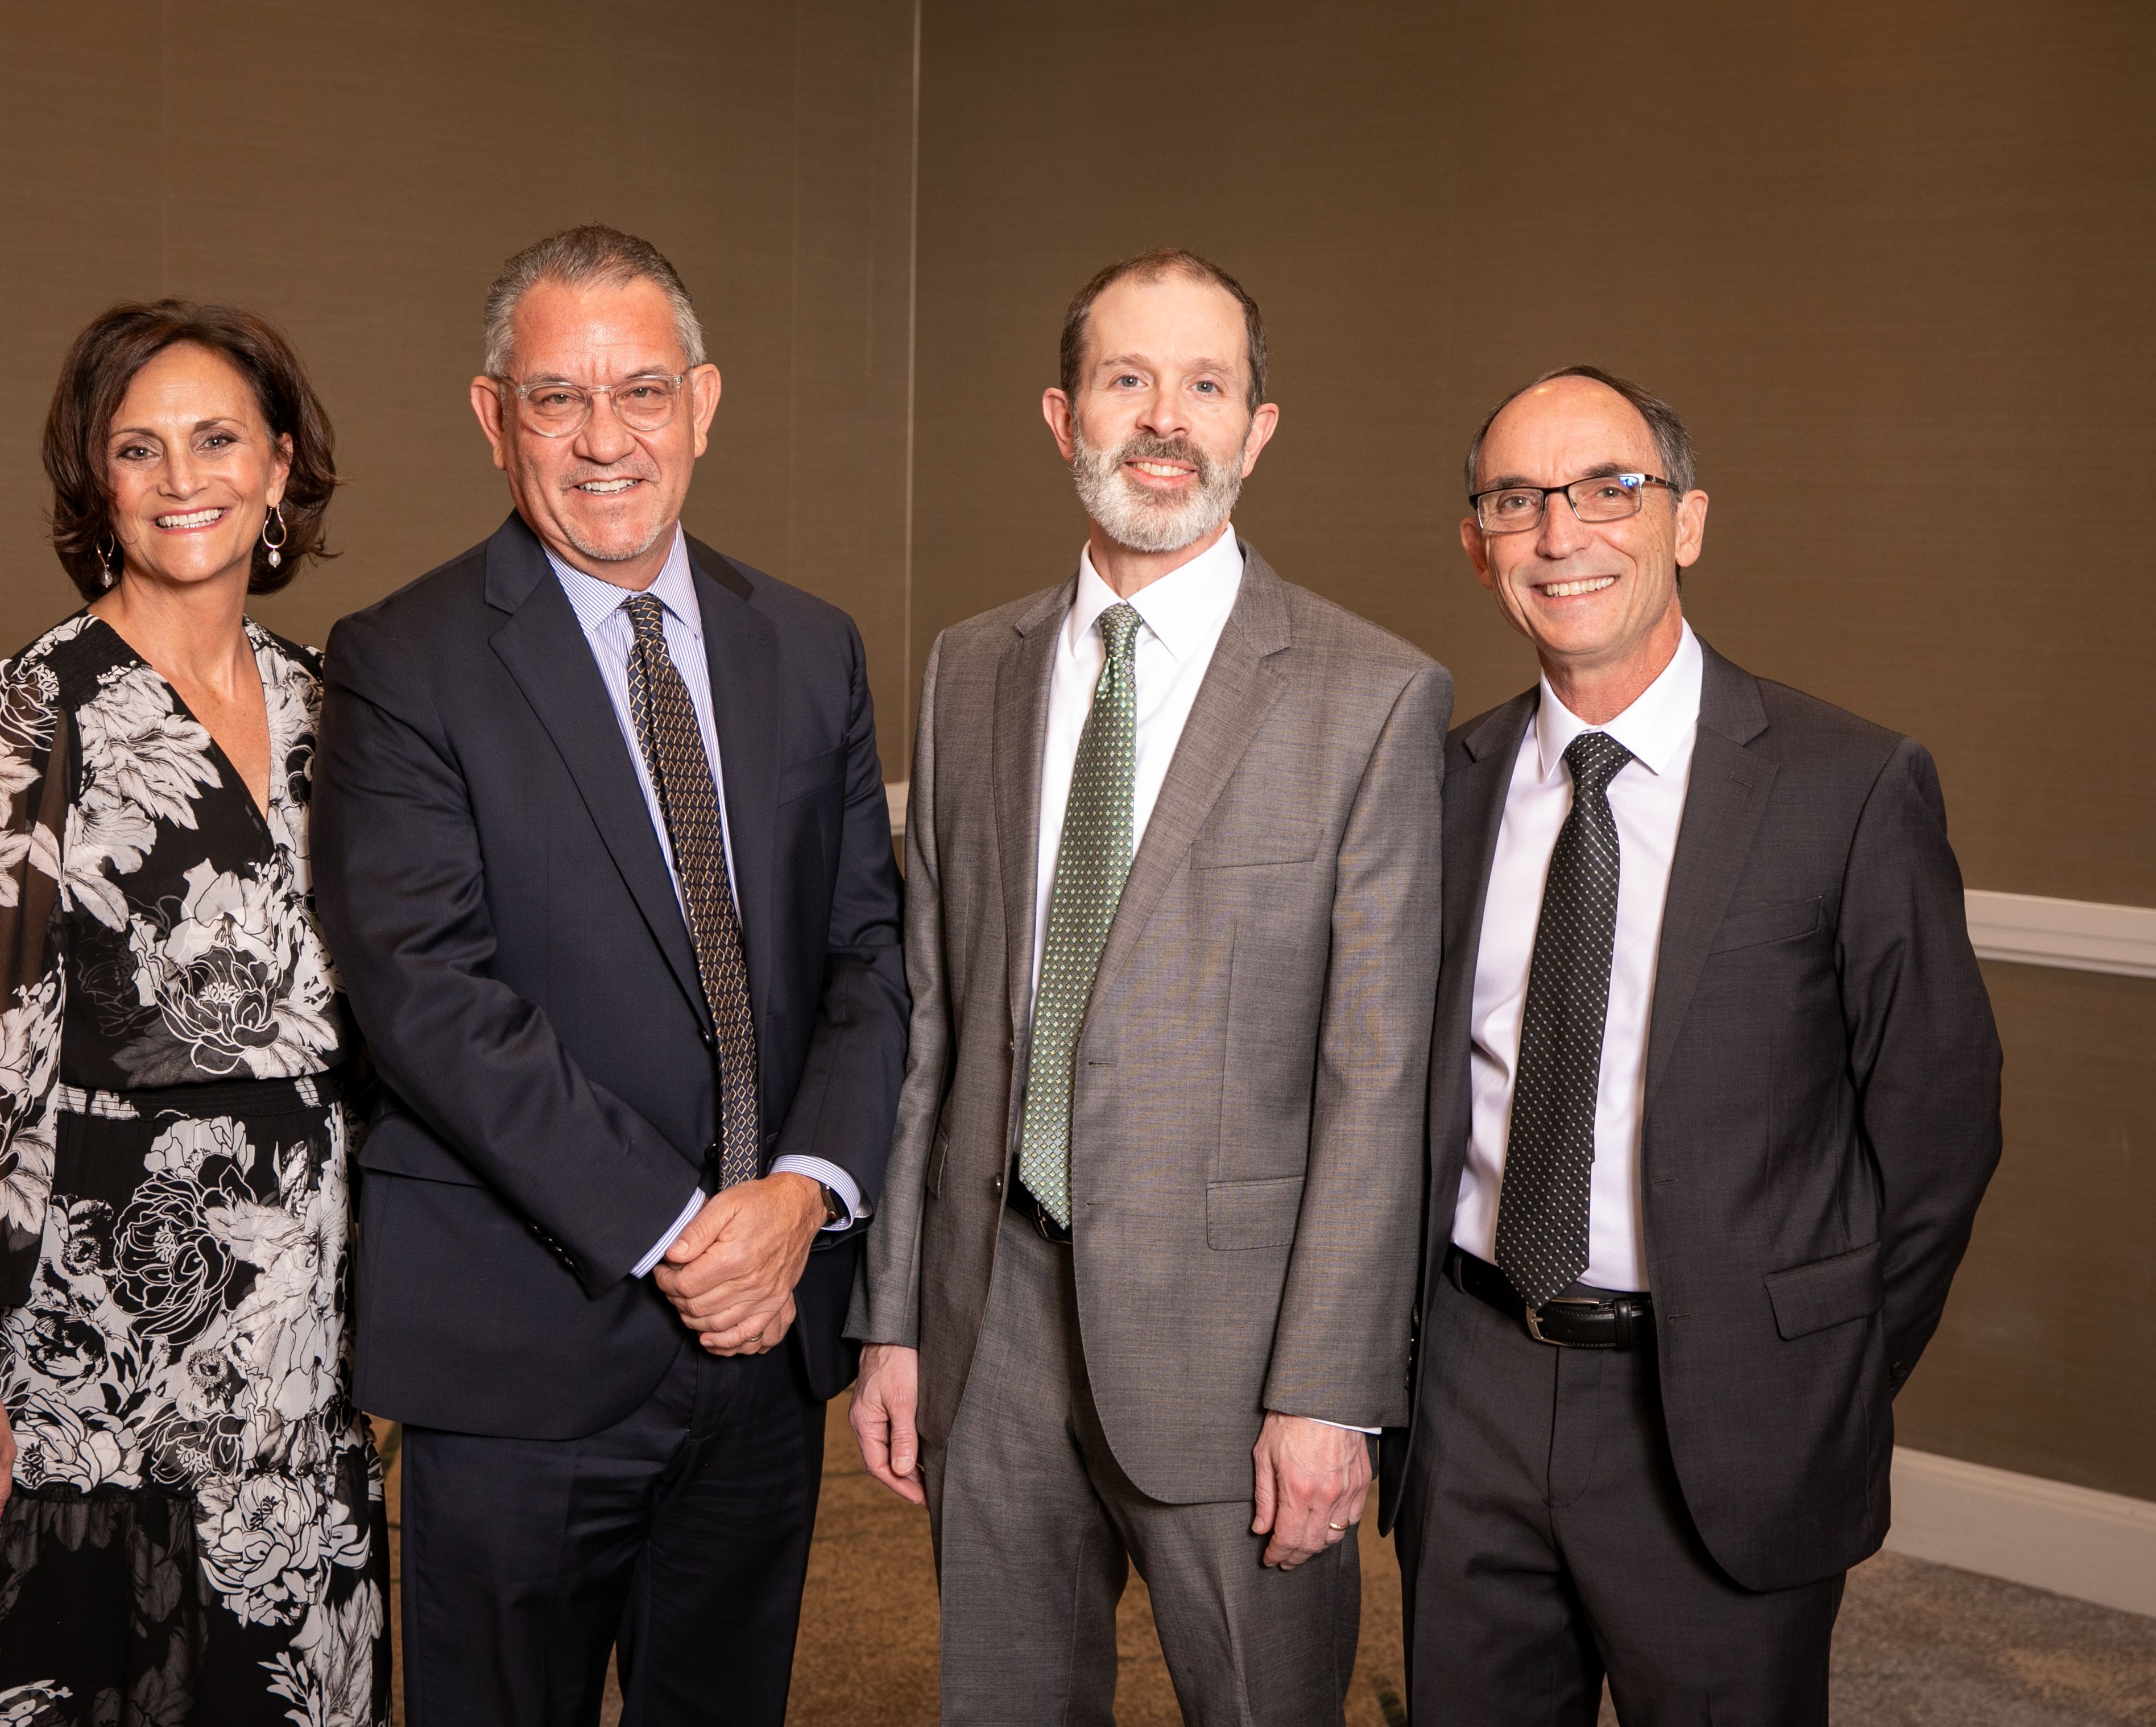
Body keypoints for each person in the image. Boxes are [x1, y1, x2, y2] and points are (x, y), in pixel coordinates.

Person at [308, 225, 908, 1727]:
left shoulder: (811, 647)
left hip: (767, 1337)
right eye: (554, 397)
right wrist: (682, 1229)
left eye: (639, 392)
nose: (601, 439)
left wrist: (798, 1197)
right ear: (490, 413)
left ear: (702, 403)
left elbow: (867, 951)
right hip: (528, 1341)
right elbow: (429, 995)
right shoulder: (402, 658)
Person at [845, 250, 1450, 1725]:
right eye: (1126, 378)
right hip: (992, 1320)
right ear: (1063, 416)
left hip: (1238, 1359)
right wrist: (896, 1317)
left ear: (1257, 428)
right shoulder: (966, 667)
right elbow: (935, 1022)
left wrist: (1329, 1390)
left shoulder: (1369, 696)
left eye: (1204, 383)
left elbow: (1376, 1084)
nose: (1162, 417)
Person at [1387, 366, 2003, 1724]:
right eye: (1514, 500)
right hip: (1472, 1387)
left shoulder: (1847, 786)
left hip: (1721, 1410)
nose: (1561, 534)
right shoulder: (1440, 785)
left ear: (1688, 521)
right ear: (1477, 543)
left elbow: (1940, 1137)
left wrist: (1813, 1368)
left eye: (1609, 489)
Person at [0, 300, 388, 1725]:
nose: (184, 479)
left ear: (280, 468)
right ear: (96, 482)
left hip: (299, 1347)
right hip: (98, 1347)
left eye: (218, 439)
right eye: (139, 449)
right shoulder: (30, 715)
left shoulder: (333, 709)